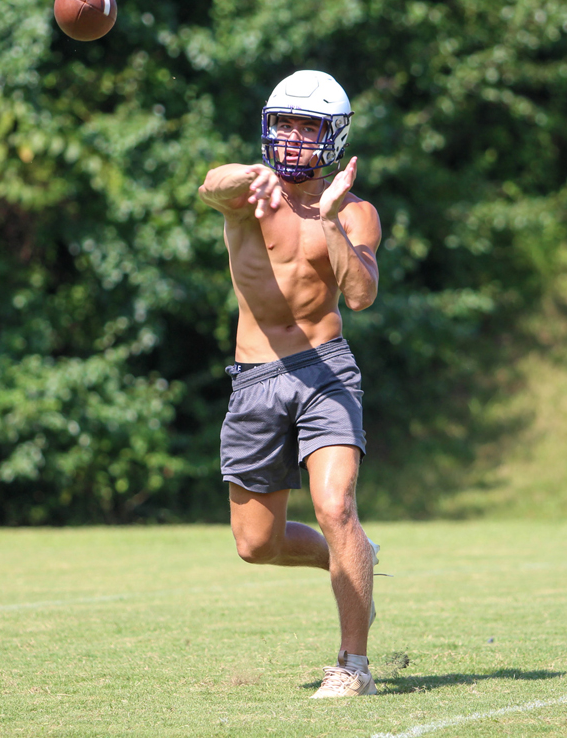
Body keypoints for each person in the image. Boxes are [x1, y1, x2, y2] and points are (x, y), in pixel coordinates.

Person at [197, 70, 384, 698]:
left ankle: (353, 667)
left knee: (335, 508)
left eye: (307, 127)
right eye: (284, 125)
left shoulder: (356, 212)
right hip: (255, 379)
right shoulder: (248, 195)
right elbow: (211, 184)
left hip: (326, 371)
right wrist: (244, 176)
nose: (293, 138)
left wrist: (330, 220)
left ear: (333, 137)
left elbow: (360, 295)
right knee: (257, 545)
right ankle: (354, 555)